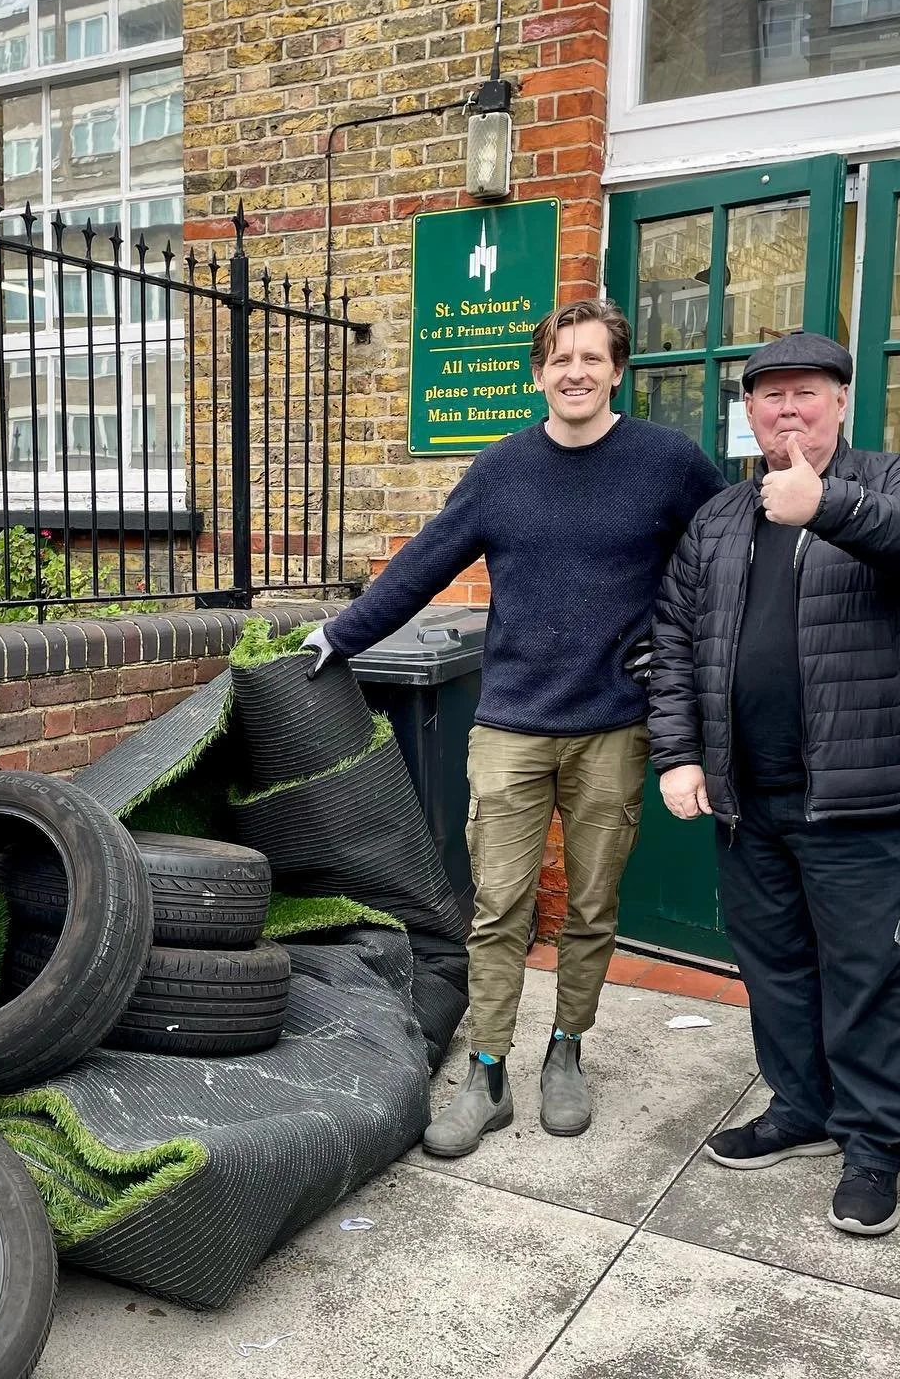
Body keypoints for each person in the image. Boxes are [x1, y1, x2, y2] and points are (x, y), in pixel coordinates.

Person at [302, 298, 725, 1155]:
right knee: (498, 905)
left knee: (593, 906)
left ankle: (566, 1052)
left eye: (592, 358)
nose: (575, 371)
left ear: (617, 370)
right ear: (538, 374)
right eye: (559, 358)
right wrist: (337, 635)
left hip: (615, 723)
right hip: (512, 725)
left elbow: (719, 558)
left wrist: (675, 644)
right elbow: (422, 564)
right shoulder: (501, 470)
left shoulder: (668, 463)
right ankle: (488, 1071)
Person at [648, 331, 900, 1237]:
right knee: (778, 967)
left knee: (867, 976)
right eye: (768, 397)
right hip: (746, 797)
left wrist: (826, 504)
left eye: (805, 394)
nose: (786, 411)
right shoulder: (719, 517)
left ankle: (875, 1147)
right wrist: (678, 755)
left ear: (839, 401)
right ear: (747, 413)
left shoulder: (888, 481)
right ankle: (802, 1109)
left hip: (860, 795)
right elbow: (674, 642)